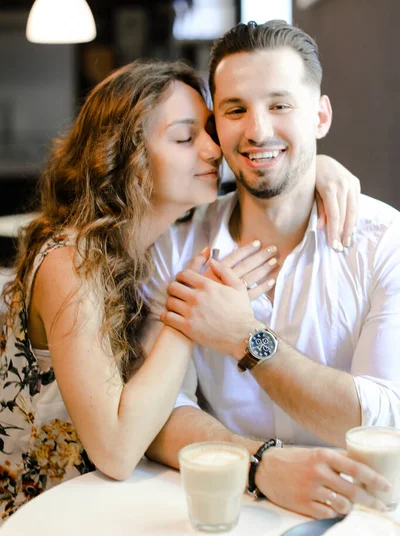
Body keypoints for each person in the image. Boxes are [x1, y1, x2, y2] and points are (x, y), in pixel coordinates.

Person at [0, 57, 358, 521]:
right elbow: (117, 449)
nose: (213, 151)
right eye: (186, 138)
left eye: (209, 133)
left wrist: (318, 170)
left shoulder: (151, 252)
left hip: (121, 505)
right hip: (47, 515)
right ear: (124, 154)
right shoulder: (72, 260)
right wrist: (190, 312)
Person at [143, 21, 400, 519]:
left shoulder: (384, 241)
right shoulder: (175, 248)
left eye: (280, 105)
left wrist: (247, 338)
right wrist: (259, 464)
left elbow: (384, 418)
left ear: (320, 116)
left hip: (362, 513)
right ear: (217, 127)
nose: (258, 130)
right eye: (236, 110)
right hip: (225, 509)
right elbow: (158, 415)